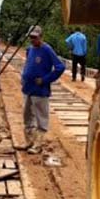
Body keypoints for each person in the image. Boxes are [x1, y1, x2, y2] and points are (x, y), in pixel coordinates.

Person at [22, 26, 65, 154]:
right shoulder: (29, 49)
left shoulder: (47, 49)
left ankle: (38, 144)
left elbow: (59, 67)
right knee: (27, 115)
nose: (32, 40)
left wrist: (46, 79)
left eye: (35, 37)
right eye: (31, 37)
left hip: (40, 90)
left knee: (41, 116)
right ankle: (29, 141)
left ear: (41, 37)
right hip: (27, 88)